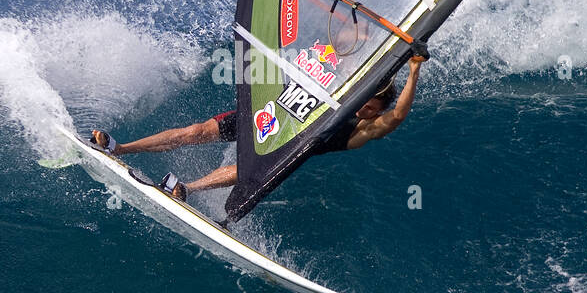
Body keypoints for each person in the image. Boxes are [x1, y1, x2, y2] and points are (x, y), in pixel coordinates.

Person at [91, 52, 427, 201]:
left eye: (370, 109)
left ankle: (185, 190)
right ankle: (118, 148)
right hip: (265, 114)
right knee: (195, 132)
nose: (363, 111)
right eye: (364, 103)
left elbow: (396, 117)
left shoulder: (356, 131)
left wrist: (412, 71)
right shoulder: (342, 94)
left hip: (282, 146)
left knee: (246, 167)